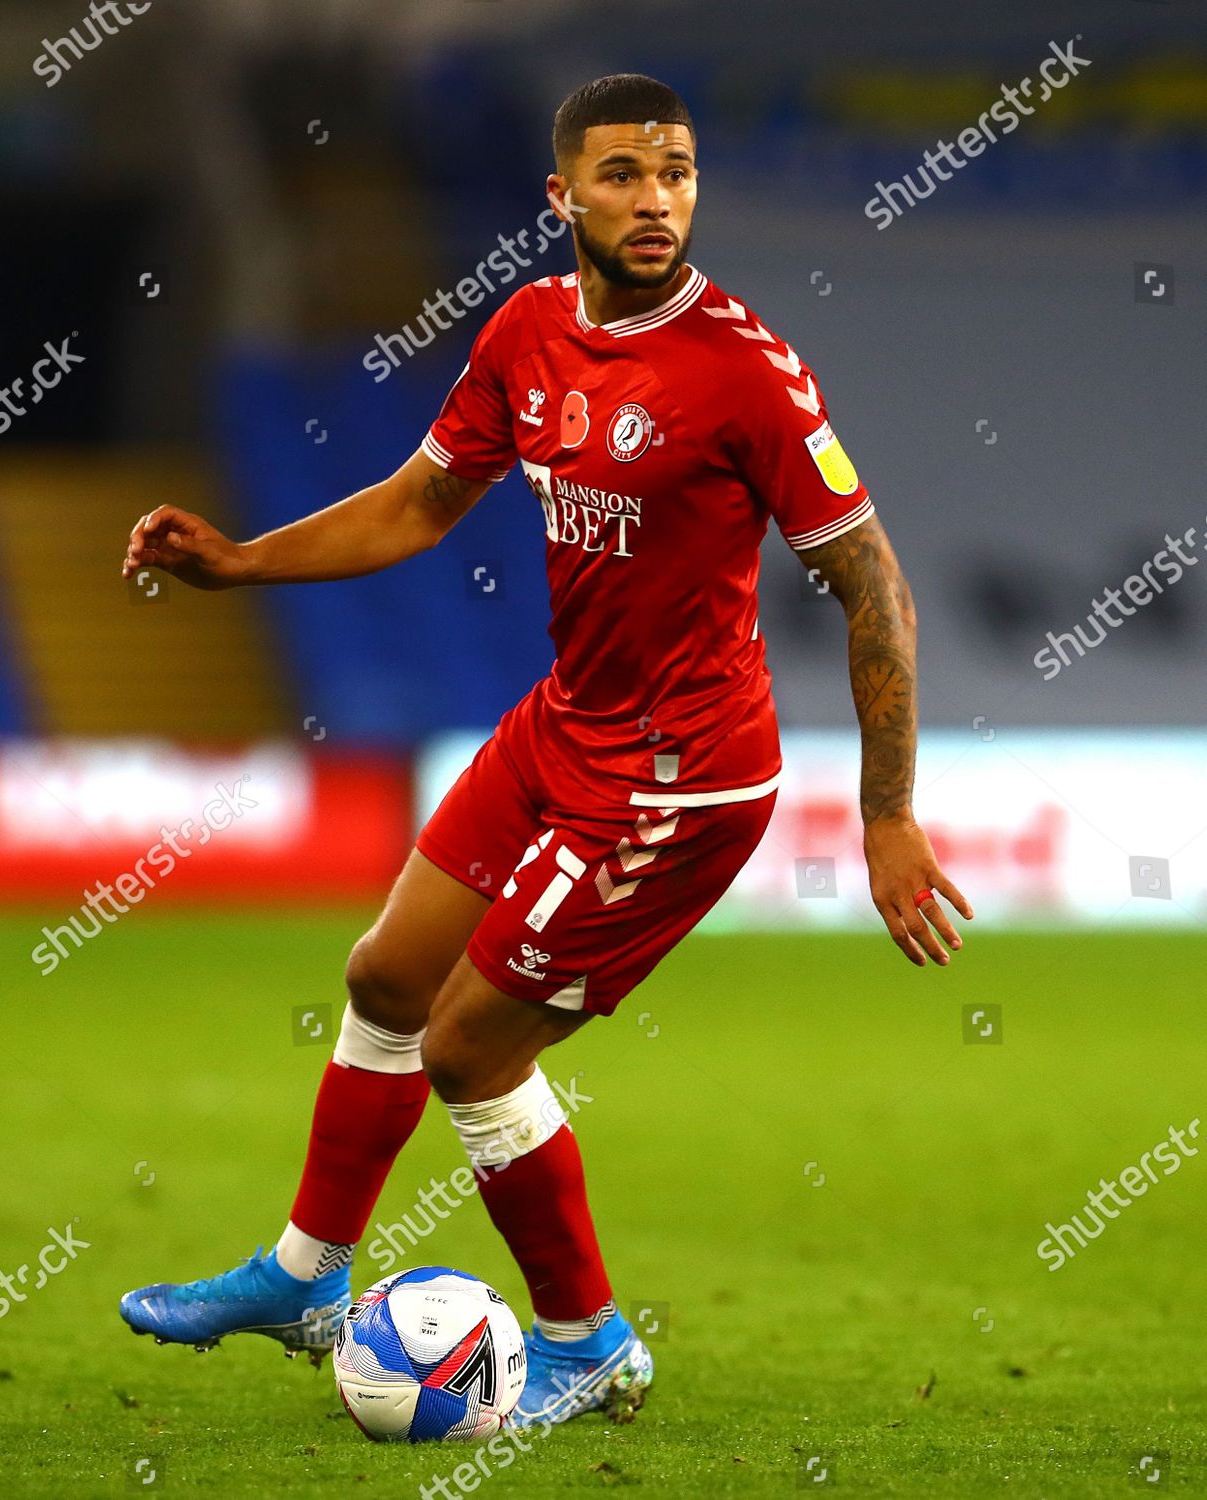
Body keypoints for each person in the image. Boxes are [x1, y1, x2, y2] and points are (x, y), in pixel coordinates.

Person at [117, 72, 971, 1430]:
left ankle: (590, 1343)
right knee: (387, 974)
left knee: (466, 1050)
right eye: (625, 175)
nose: (656, 199)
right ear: (560, 194)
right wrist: (240, 566)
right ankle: (303, 1279)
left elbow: (874, 588)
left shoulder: (741, 369)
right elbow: (418, 503)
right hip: (564, 719)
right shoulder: (524, 331)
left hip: (678, 776)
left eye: (677, 172)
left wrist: (885, 815)